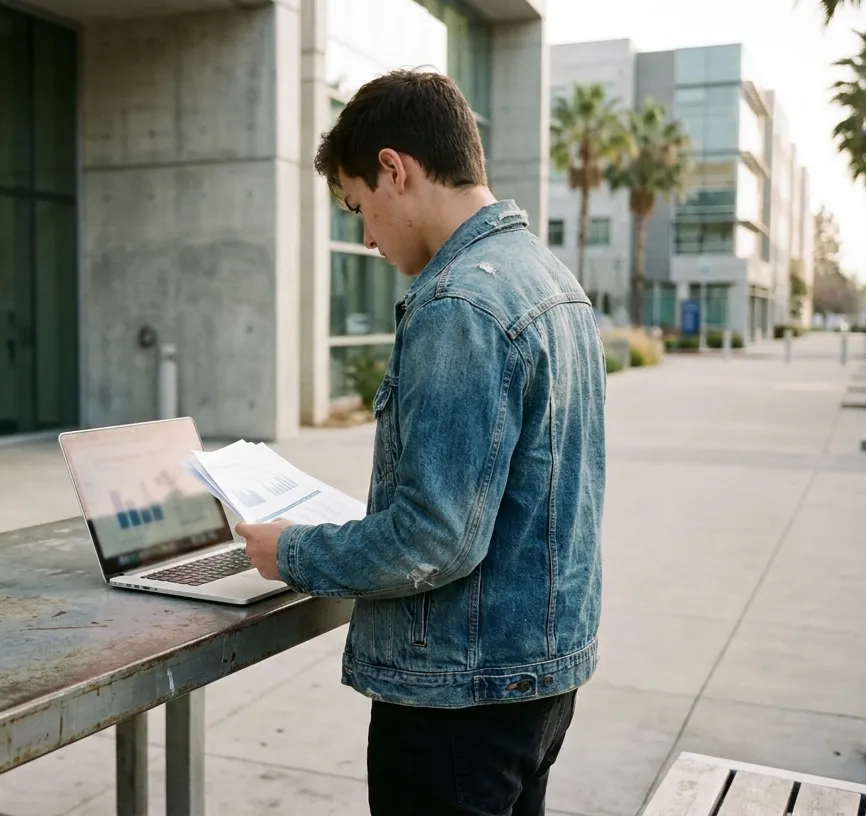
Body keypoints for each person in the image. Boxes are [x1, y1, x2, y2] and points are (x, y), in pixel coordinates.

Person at [236, 69, 606, 816]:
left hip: (456, 702)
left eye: (357, 206)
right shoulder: (553, 282)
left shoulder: (458, 303)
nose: (366, 235)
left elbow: (435, 539)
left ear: (393, 169)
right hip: (539, 681)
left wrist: (295, 552)